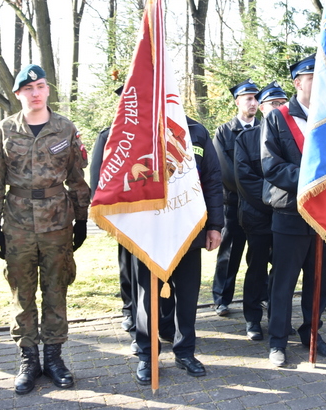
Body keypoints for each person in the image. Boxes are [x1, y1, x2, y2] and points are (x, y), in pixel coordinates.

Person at [0, 65, 90, 394]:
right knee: (22, 294)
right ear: (18, 94)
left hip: (57, 221)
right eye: (28, 89)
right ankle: (29, 360)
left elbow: (76, 178)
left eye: (41, 86)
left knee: (57, 290)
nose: (35, 93)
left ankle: (55, 358)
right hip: (17, 223)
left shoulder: (64, 128)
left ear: (47, 90)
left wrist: (82, 219)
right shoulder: (4, 130)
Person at [134, 116, 223, 385]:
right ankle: (147, 356)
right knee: (147, 299)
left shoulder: (196, 130)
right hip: (149, 232)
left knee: (187, 297)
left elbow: (212, 178)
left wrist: (215, 225)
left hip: (188, 229)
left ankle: (185, 351)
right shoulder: (135, 127)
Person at [261, 55, 326, 367]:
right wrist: (311, 180)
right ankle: (278, 341)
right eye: (312, 78)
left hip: (325, 216)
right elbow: (271, 166)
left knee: (319, 282)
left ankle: (311, 333)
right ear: (298, 83)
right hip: (291, 214)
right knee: (284, 283)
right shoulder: (277, 118)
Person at [234, 81, 288, 341]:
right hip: (257, 216)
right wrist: (272, 202)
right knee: (256, 269)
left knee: (282, 270)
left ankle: (278, 317)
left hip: (286, 216)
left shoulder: (291, 137)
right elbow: (245, 180)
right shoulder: (245, 138)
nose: (278, 107)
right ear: (262, 107)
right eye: (272, 104)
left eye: (282, 103)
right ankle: (252, 319)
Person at [88, 86, 135, 333]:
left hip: (152, 212)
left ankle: (159, 312)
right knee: (127, 264)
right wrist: (101, 212)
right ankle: (129, 310)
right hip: (122, 213)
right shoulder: (108, 137)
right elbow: (96, 176)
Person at [212, 78, 260, 316]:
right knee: (230, 253)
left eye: (256, 98)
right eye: (248, 99)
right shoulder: (223, 132)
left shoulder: (265, 130)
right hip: (233, 204)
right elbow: (226, 171)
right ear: (237, 102)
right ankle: (221, 297)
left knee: (259, 255)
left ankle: (260, 296)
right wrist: (254, 191)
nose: (254, 103)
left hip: (261, 207)